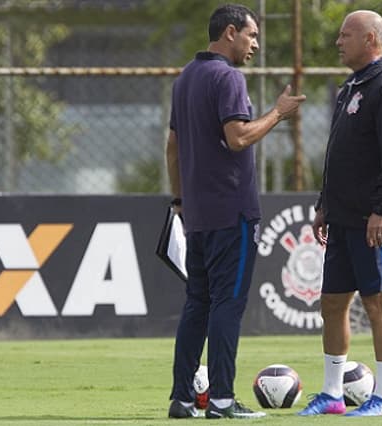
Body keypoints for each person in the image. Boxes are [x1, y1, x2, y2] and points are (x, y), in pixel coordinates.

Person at [165, 4, 305, 419]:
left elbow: (172, 147)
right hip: (231, 210)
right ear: (230, 33)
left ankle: (182, 398)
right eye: (252, 35)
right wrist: (278, 112)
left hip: (198, 212)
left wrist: (179, 200)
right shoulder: (227, 77)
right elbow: (238, 137)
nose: (256, 44)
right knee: (227, 304)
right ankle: (222, 400)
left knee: (197, 304)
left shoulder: (186, 76)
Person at [299, 10, 382, 417]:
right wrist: (324, 205)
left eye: (345, 34)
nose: (337, 41)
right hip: (342, 217)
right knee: (331, 304)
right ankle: (332, 394)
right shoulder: (352, 85)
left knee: (378, 304)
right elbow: (338, 154)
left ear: (370, 40)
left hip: (371, 221)